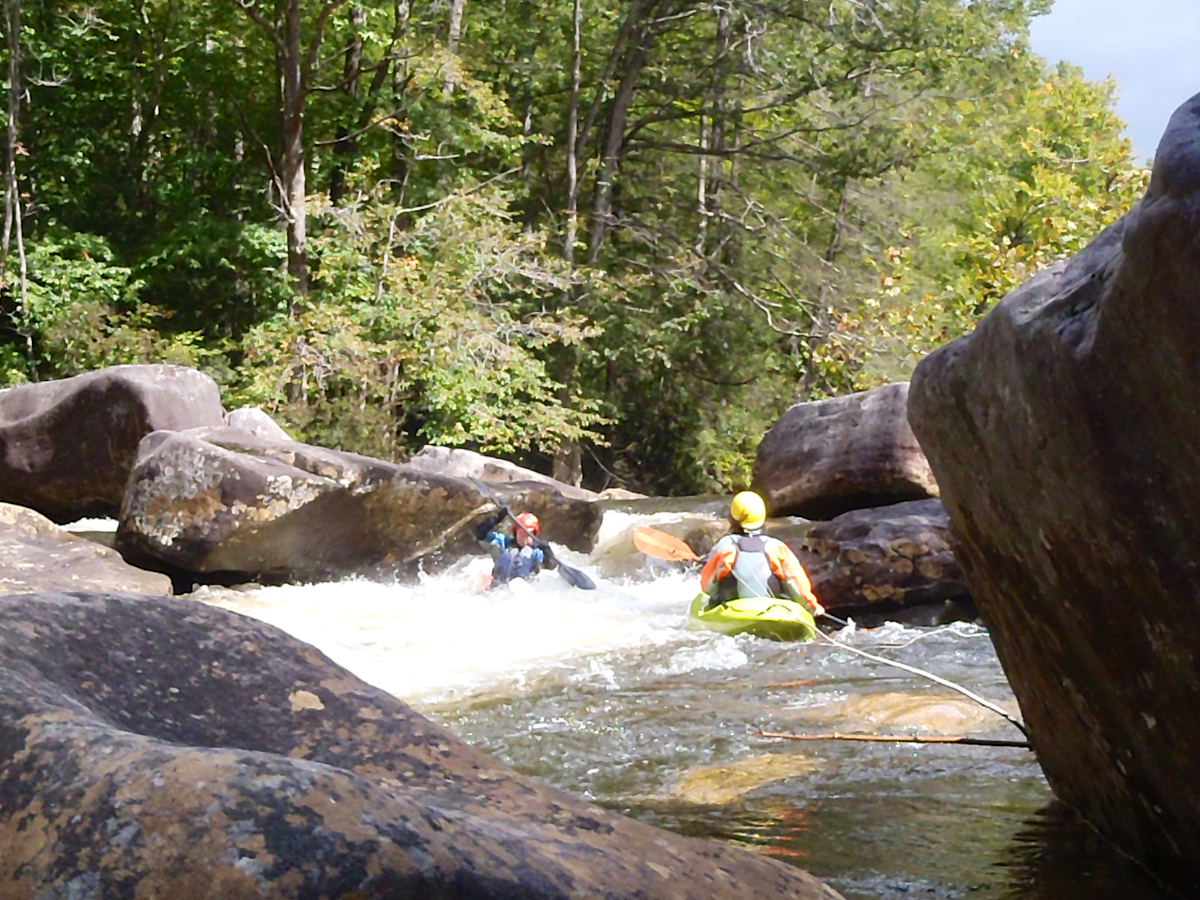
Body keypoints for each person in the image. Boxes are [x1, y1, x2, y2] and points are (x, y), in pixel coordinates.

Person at [698, 490, 825, 616]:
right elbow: (795, 581)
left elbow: (707, 586)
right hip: (772, 610)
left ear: (733, 518)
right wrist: (812, 606)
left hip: (732, 611)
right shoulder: (777, 547)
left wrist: (702, 609)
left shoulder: (724, 547)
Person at [473, 508, 559, 589]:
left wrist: (548, 553)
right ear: (515, 532)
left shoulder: (537, 552)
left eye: (528, 534)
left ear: (534, 535)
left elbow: (552, 568)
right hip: (498, 589)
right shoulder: (503, 543)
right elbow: (479, 533)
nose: (524, 537)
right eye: (521, 533)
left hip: (522, 590)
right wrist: (497, 517)